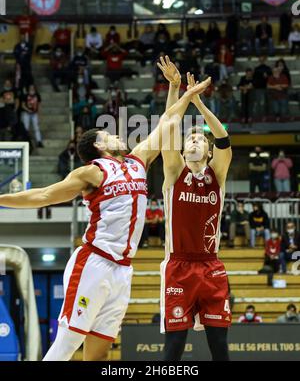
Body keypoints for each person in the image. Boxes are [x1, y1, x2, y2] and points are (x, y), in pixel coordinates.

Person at [0, 55, 199, 362]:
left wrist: (175, 87)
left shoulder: (137, 160)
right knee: (69, 341)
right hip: (94, 262)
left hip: (123, 269)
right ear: (98, 145)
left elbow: (168, 124)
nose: (118, 134)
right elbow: (43, 196)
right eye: (110, 134)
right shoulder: (92, 171)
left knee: (99, 350)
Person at [158, 58, 232, 361]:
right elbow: (169, 125)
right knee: (173, 350)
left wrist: (199, 103)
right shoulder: (175, 172)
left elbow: (224, 137)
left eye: (200, 139)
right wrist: (176, 88)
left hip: (211, 266)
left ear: (209, 150)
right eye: (190, 138)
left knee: (220, 348)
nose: (193, 141)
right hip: (179, 267)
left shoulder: (218, 174)